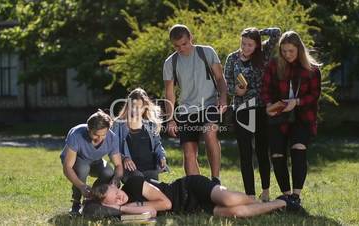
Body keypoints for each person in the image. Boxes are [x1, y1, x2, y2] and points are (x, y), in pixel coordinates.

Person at [261, 31, 321, 205]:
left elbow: (315, 94)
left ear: (299, 50)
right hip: (278, 116)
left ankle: (296, 195)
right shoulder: (273, 65)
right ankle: (287, 196)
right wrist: (269, 105)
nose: (287, 54)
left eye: (291, 51)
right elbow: (265, 90)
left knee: (298, 150)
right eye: (284, 51)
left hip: (302, 116)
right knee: (277, 155)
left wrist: (298, 101)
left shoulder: (312, 70)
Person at [163, 24, 228, 184]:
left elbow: (220, 78)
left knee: (209, 132)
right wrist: (170, 119)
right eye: (177, 46)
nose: (181, 48)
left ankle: (215, 180)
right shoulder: (170, 62)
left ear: (190, 37)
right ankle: (197, 188)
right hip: (186, 110)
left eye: (184, 44)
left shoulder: (206, 52)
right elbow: (169, 93)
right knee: (189, 153)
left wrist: (224, 97)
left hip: (209, 105)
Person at [224, 27, 281, 201]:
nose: (245, 47)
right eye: (243, 43)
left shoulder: (263, 54)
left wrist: (258, 32)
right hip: (241, 110)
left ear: (257, 45)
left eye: (250, 44)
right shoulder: (232, 58)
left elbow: (276, 33)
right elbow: (227, 84)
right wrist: (236, 91)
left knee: (263, 151)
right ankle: (250, 195)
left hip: (261, 109)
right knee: (245, 153)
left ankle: (265, 191)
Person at [85, 175, 301, 219]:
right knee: (237, 213)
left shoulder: (133, 182)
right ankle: (282, 203)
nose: (118, 199)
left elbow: (165, 203)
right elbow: (150, 212)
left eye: (116, 193)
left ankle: (278, 200)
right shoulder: (123, 208)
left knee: (229, 200)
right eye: (112, 202)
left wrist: (124, 208)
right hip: (192, 208)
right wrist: (120, 210)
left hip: (191, 187)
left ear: (115, 185)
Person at [60, 110, 123, 215]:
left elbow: (118, 165)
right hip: (76, 160)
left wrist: (116, 180)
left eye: (103, 135)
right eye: (95, 135)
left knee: (108, 172)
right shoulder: (76, 134)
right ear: (88, 129)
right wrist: (81, 186)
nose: (99, 139)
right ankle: (76, 203)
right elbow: (67, 167)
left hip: (95, 161)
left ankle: (92, 199)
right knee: (83, 168)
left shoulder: (112, 138)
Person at [111, 88, 168, 182]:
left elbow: (158, 144)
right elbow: (113, 148)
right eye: (133, 106)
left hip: (150, 169)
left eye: (139, 107)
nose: (135, 110)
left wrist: (161, 156)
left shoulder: (150, 123)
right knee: (139, 184)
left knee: (154, 192)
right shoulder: (118, 124)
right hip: (131, 170)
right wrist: (124, 158)